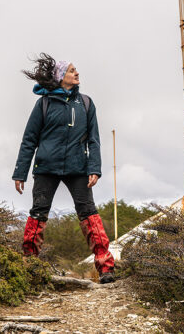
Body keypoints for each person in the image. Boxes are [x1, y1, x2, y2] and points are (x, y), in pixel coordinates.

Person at [13, 53, 115, 283]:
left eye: (75, 69)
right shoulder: (44, 104)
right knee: (38, 213)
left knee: (89, 213)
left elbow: (94, 140)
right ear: (60, 77)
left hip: (78, 168)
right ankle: (30, 266)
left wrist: (94, 169)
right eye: (71, 70)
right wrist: (21, 172)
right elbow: (29, 140)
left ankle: (106, 268)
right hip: (46, 167)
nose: (76, 73)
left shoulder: (86, 103)